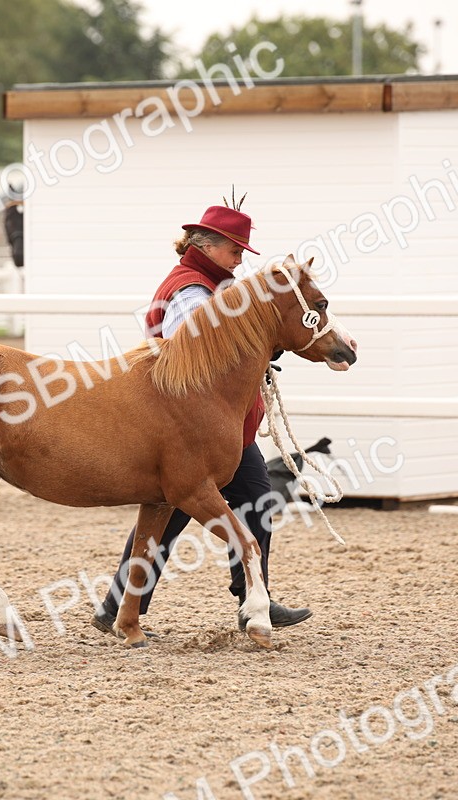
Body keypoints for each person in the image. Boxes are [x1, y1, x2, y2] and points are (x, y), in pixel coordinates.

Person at [91, 200, 318, 637]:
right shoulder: (191, 291)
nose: (240, 260)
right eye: (236, 251)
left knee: (191, 508)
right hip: (192, 426)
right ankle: (252, 602)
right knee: (198, 506)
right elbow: (195, 352)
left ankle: (249, 601)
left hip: (211, 424)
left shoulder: (215, 285)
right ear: (210, 246)